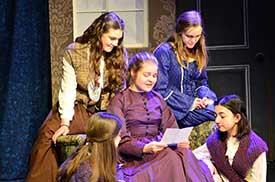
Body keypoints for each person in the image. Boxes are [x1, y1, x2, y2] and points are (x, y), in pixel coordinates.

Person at [27, 11, 127, 182]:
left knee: (122, 134)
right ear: (99, 32)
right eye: (111, 38)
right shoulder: (74, 52)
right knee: (46, 135)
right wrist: (65, 122)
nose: (115, 43)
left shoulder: (118, 54)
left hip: (107, 109)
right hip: (79, 107)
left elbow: (121, 92)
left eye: (118, 39)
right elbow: (67, 89)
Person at [107, 51, 214, 182]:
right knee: (171, 157)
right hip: (135, 156)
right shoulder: (119, 100)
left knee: (184, 154)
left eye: (154, 76)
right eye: (146, 75)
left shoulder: (158, 98)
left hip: (160, 150)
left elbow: (171, 128)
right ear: (133, 72)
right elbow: (120, 140)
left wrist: (178, 141)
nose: (151, 79)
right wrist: (145, 148)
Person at [153, 10, 216, 128]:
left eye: (197, 36)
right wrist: (189, 102)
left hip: (196, 106)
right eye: (189, 36)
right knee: (215, 115)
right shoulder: (165, 52)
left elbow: (201, 81)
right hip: (175, 108)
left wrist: (204, 98)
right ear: (180, 32)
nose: (193, 40)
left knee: (225, 110)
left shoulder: (198, 51)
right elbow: (160, 90)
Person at [193, 94, 268, 182]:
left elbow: (259, 180)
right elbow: (196, 155)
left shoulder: (256, 146)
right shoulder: (215, 139)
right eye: (215, 115)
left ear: (237, 118)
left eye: (222, 116)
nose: (217, 120)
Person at [57, 112, 124, 182]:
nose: (120, 139)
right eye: (118, 135)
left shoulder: (103, 160)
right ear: (109, 140)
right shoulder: (84, 171)